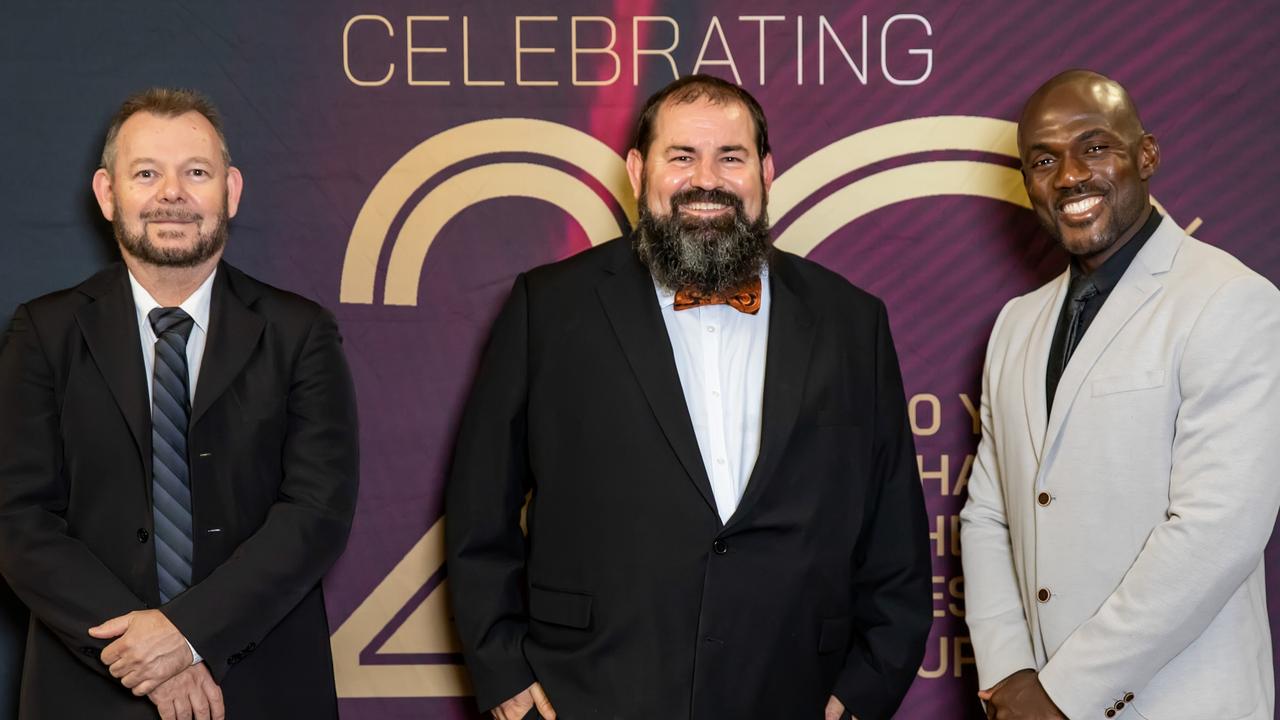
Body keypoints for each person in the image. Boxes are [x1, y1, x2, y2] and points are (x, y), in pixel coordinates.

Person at [446, 74, 931, 720]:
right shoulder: (548, 308)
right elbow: (481, 510)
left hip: (794, 695)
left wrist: (865, 691)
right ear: (638, 170)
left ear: (765, 171)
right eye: (682, 157)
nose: (707, 179)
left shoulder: (851, 321)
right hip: (590, 694)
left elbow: (895, 534)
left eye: (730, 157)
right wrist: (502, 670)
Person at [0, 88, 359, 720]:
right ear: (108, 193)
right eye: (147, 174)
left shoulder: (300, 333)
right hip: (87, 691)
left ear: (232, 191)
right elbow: (17, 520)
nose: (172, 194)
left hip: (262, 687)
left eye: (196, 172)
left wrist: (188, 634)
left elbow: (316, 513)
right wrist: (155, 661)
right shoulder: (43, 333)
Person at [960, 69, 1280, 720]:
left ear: (1147, 155)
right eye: (1043, 160)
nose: (1071, 176)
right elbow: (988, 514)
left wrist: (1059, 692)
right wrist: (1010, 673)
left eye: (1095, 146)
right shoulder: (1016, 324)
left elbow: (1217, 533)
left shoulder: (1230, 300)